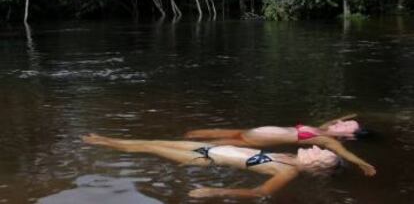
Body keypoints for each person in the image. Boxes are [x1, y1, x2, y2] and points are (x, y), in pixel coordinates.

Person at [82, 133, 340, 199]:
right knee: (149, 141)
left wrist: (214, 192)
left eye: (321, 154)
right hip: (210, 148)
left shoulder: (289, 171)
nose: (316, 148)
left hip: (204, 158)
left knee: (148, 147)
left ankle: (100, 143)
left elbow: (260, 193)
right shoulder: (289, 156)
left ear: (315, 168)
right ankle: (105, 140)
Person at [184, 114, 376, 176]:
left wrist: (362, 164)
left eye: (347, 125)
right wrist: (347, 116)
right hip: (251, 130)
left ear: (349, 135)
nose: (340, 124)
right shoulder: (324, 129)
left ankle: (181, 151)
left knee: (209, 145)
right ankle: (179, 139)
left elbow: (344, 153)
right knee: (196, 134)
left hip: (255, 140)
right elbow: (333, 121)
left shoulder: (326, 140)